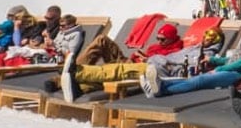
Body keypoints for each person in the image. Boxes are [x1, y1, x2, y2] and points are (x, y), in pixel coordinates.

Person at [55, 27, 225, 102]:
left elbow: (181, 64)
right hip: (155, 65)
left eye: (213, 35)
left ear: (218, 41)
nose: (207, 37)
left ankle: (76, 72)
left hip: (158, 71)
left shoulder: (207, 55)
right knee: (116, 71)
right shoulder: (195, 47)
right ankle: (79, 86)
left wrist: (156, 59)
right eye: (207, 33)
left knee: (119, 70)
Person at [139, 6, 241, 97]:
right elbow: (233, 59)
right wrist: (213, 60)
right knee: (197, 79)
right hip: (231, 70)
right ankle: (159, 85)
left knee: (200, 81)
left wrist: (218, 69)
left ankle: (159, 90)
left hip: (239, 75)